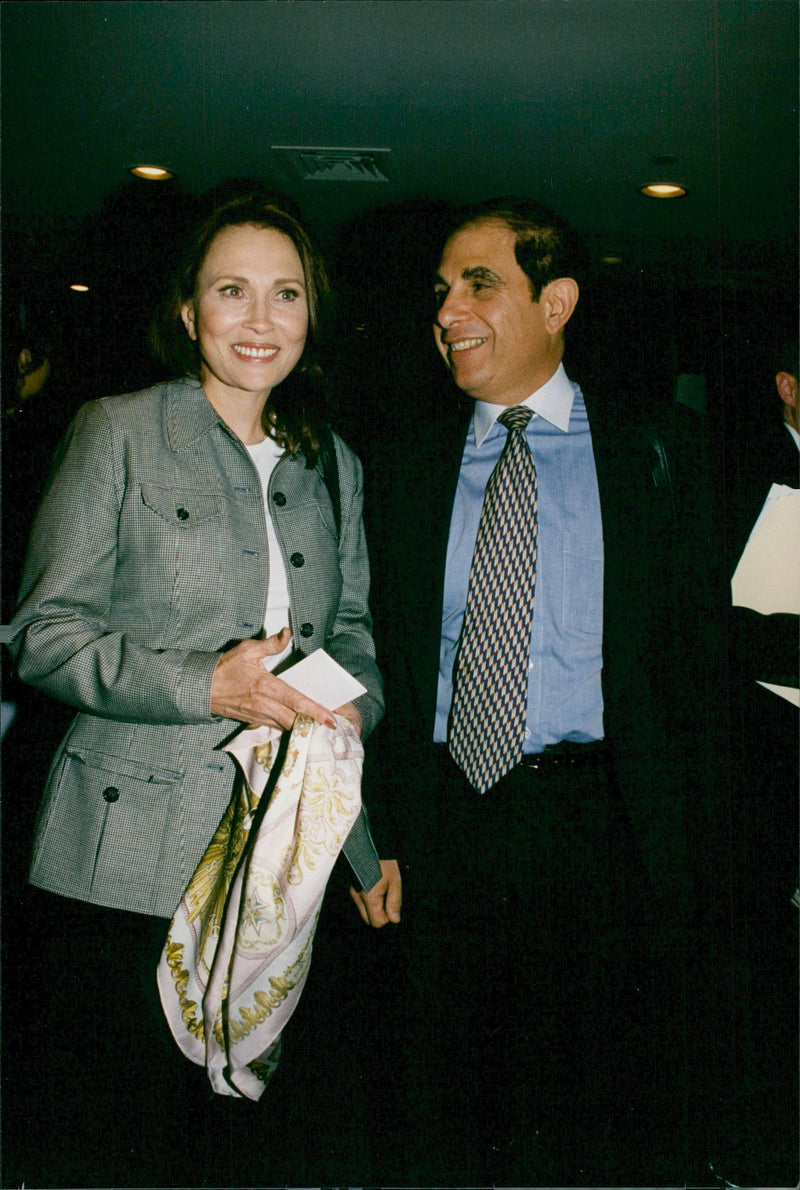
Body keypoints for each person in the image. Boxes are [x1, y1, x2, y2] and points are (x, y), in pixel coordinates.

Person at [3, 192, 385, 1189]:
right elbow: (42, 634)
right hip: (122, 856)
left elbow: (353, 639)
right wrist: (206, 684)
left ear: (312, 312)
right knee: (112, 1142)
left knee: (238, 1142)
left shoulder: (334, 463)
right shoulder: (117, 429)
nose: (260, 320)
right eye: (231, 291)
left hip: (281, 857)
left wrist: (349, 722)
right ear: (188, 310)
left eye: (285, 294)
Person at [353, 197, 708, 1185]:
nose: (447, 311)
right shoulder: (401, 459)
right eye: (440, 290)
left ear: (556, 302)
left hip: (599, 821)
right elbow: (375, 653)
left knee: (591, 1101)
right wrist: (373, 830)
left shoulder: (657, 448)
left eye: (479, 284)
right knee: (439, 1097)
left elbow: (693, 657)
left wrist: (693, 841)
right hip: (440, 820)